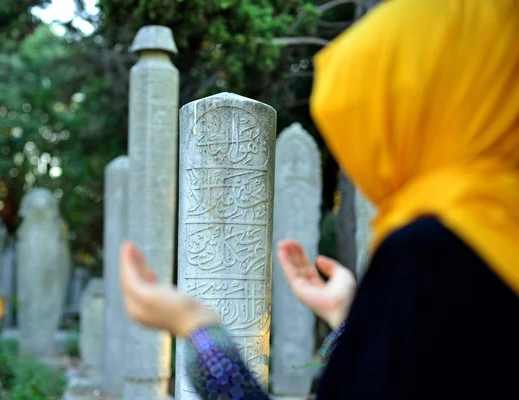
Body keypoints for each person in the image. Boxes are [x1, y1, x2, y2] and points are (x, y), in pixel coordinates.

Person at [120, 0, 519, 399]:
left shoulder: (436, 251)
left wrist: (199, 329)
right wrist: (353, 319)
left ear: (423, 110)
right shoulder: (498, 228)